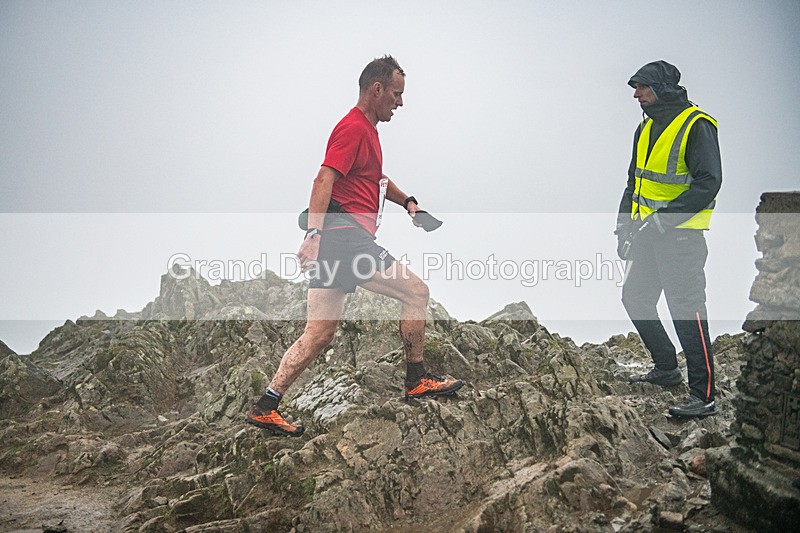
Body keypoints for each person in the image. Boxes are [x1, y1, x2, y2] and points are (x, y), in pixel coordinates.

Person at [246, 56, 463, 436]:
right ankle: (417, 379)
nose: (400, 103)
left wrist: (409, 203)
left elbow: (376, 179)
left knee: (319, 332)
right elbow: (322, 180)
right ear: (376, 90)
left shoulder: (368, 133)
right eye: (396, 94)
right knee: (416, 292)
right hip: (344, 238)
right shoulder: (353, 128)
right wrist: (313, 235)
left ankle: (266, 404)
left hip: (337, 241)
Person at [616, 60, 722, 418]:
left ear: (661, 88)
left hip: (681, 238)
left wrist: (663, 221)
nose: (636, 94)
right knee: (635, 298)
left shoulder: (697, 125)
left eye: (642, 87)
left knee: (686, 310)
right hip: (647, 235)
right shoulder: (644, 127)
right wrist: (623, 227)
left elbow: (709, 183)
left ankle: (703, 395)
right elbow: (635, 182)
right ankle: (666, 368)